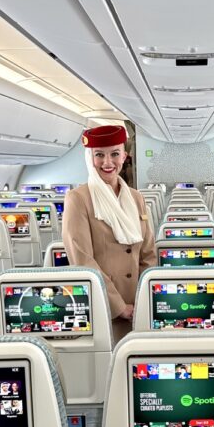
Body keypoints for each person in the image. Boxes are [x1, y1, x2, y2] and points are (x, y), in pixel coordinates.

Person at [63, 125, 156, 342]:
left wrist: (143, 301)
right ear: (90, 158)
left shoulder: (135, 198)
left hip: (139, 307)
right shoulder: (79, 199)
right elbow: (82, 259)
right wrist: (119, 306)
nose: (107, 162)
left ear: (125, 156)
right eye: (99, 155)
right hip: (104, 306)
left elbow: (148, 254)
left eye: (115, 154)